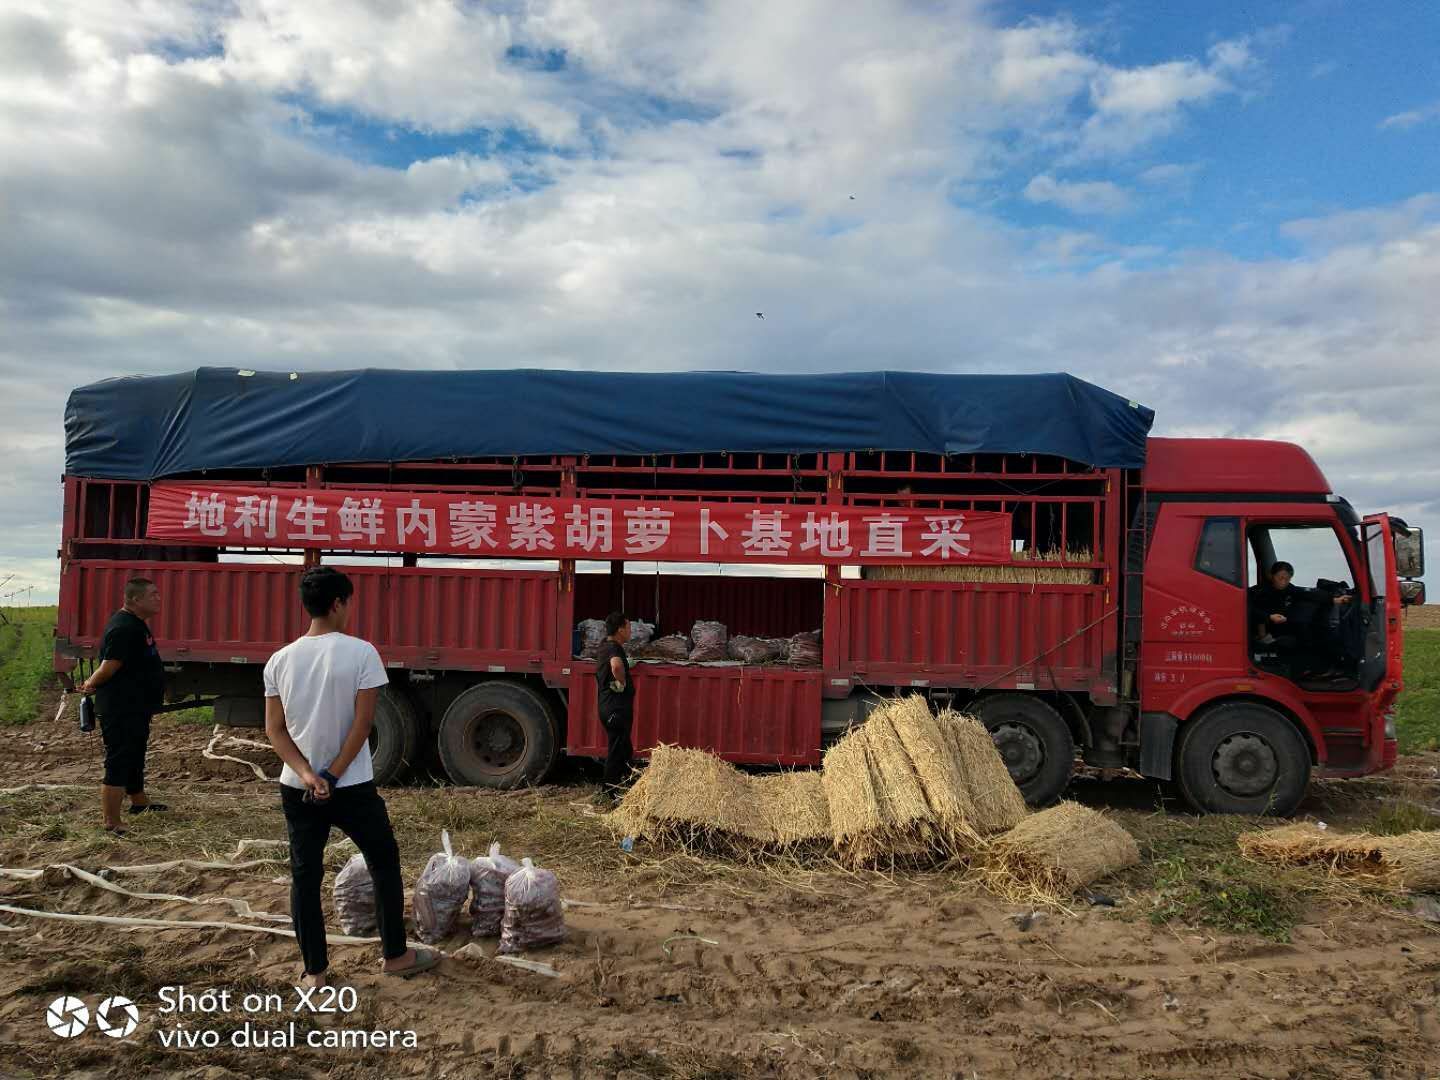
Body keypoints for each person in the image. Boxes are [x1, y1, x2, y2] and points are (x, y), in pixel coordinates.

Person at [264, 566, 440, 987]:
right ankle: (395, 956)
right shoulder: (362, 653)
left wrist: (309, 774)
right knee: (383, 862)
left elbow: (275, 730)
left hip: (298, 788)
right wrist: (333, 775)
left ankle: (315, 972)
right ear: (339, 603)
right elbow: (363, 727)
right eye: (350, 602)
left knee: (305, 876)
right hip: (353, 786)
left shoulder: (279, 660)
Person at [79, 577, 167, 835]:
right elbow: (109, 666)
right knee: (119, 759)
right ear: (136, 599)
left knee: (135, 753)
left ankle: (139, 801)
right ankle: (111, 821)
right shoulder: (123, 628)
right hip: (121, 707)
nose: (158, 598)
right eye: (153, 594)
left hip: (136, 705)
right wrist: (89, 684)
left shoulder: (136, 624)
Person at [1249, 560, 1352, 677]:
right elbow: (1250, 611)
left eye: (1287, 579)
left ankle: (1314, 668)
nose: (1283, 582)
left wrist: (1334, 600)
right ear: (1271, 576)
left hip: (1279, 625)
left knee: (1307, 630)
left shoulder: (1288, 588)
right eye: (1280, 578)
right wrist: (1269, 617)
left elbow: (1306, 593)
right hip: (1261, 630)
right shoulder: (1258, 592)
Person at [594, 611, 635, 801]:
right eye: (628, 627)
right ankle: (609, 792)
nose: (630, 631)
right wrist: (622, 682)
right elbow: (616, 667)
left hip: (608, 707)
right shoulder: (614, 649)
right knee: (617, 751)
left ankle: (629, 785)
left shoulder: (604, 646)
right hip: (616, 709)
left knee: (625, 749)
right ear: (620, 630)